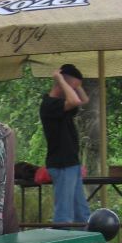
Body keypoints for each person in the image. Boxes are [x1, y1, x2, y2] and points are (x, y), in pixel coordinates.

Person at [39, 64, 91, 225]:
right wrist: (61, 79)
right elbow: (75, 100)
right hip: (61, 164)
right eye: (73, 88)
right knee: (64, 214)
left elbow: (83, 100)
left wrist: (77, 84)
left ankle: (86, 240)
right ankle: (61, 241)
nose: (75, 91)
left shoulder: (64, 105)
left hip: (72, 164)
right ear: (63, 85)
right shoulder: (49, 105)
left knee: (82, 213)